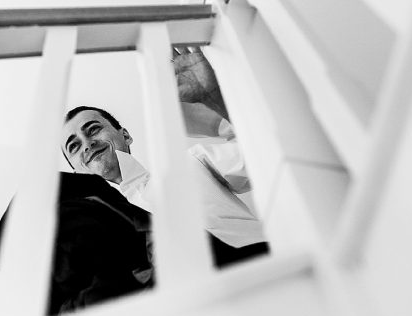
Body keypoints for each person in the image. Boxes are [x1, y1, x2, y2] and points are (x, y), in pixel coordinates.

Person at [61, 47, 269, 260]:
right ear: (76, 172)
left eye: (94, 129)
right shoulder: (95, 233)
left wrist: (215, 98)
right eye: (74, 146)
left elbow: (268, 153)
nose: (87, 143)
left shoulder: (193, 162)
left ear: (125, 135)